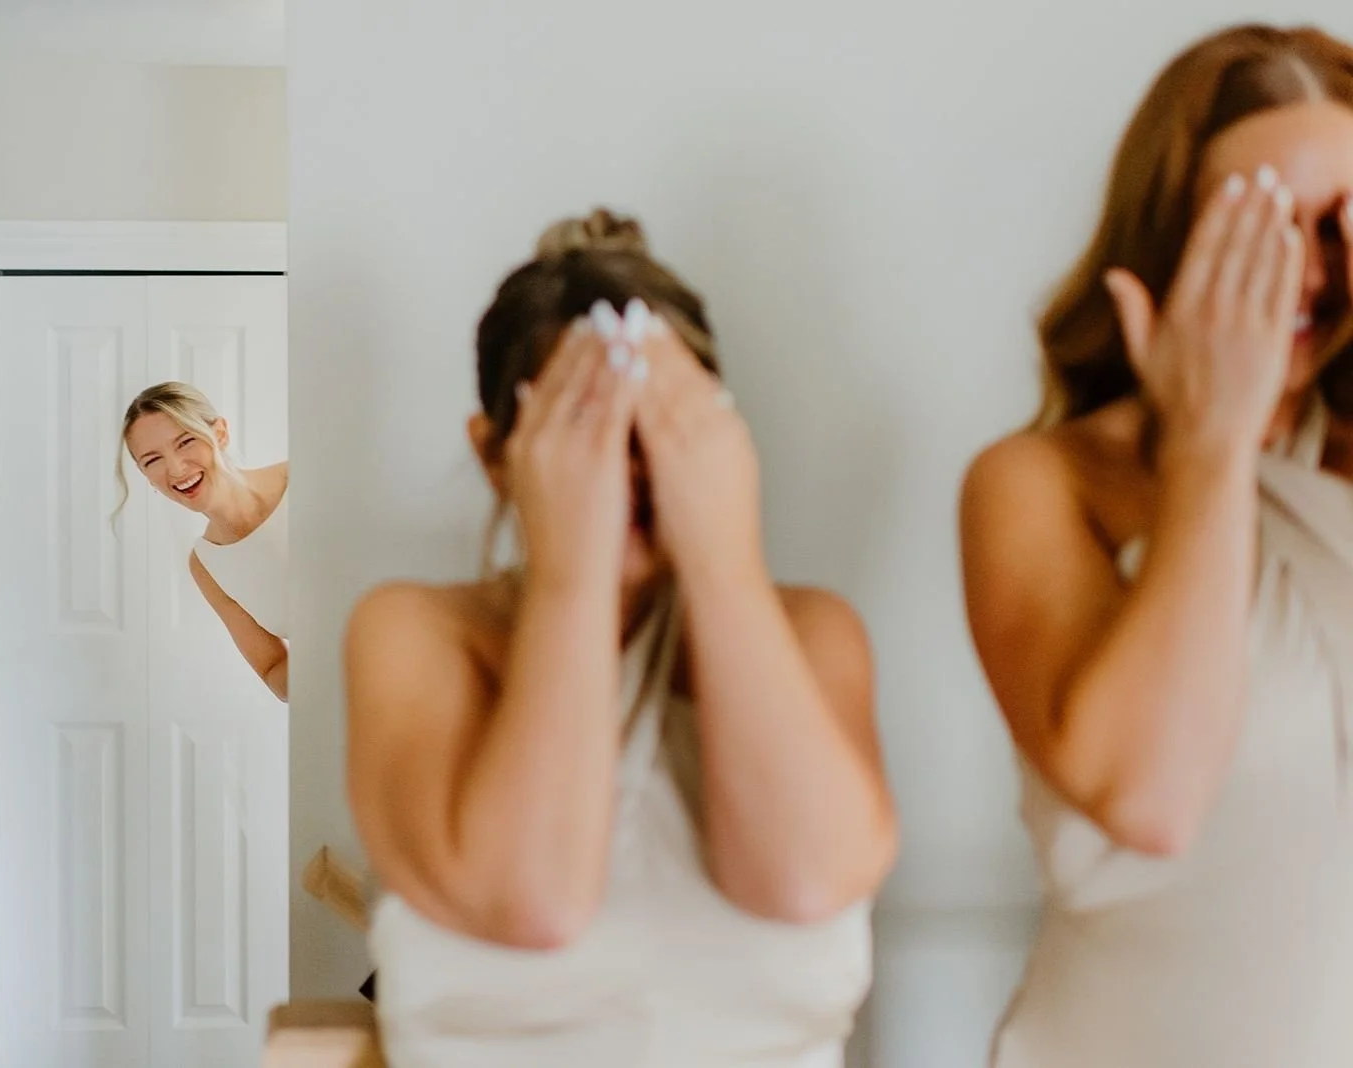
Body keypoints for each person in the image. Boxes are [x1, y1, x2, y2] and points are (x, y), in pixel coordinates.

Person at [341, 208, 898, 1067]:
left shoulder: (813, 633)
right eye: (587, 426)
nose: (629, 466)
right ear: (495, 455)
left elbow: (803, 882)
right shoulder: (411, 634)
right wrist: (573, 575)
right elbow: (535, 903)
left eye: (659, 427)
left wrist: (722, 558)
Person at [959, 23, 1353, 1068]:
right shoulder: (1042, 483)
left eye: (1338, 227)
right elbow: (1152, 798)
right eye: (1262, 222)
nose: (1306, 272)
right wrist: (1213, 447)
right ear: (1170, 235)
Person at [116, 381, 290, 701]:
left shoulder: (299, 479)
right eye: (152, 460)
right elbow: (273, 666)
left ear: (220, 433)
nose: (176, 468)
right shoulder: (207, 564)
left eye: (185, 442)